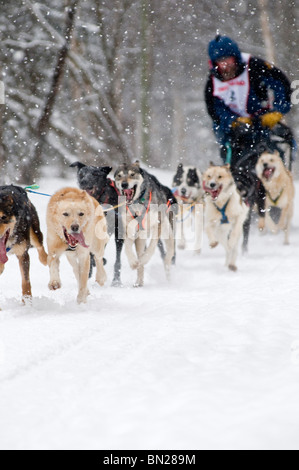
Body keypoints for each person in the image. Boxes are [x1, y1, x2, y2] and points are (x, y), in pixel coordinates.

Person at [205, 35, 295, 170]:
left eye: (228, 60)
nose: (225, 66)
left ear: (235, 57)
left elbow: (281, 85)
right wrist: (233, 121)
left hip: (261, 119)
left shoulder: (255, 66)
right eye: (220, 62)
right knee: (231, 151)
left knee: (278, 144)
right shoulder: (212, 84)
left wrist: (277, 111)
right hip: (233, 128)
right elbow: (215, 111)